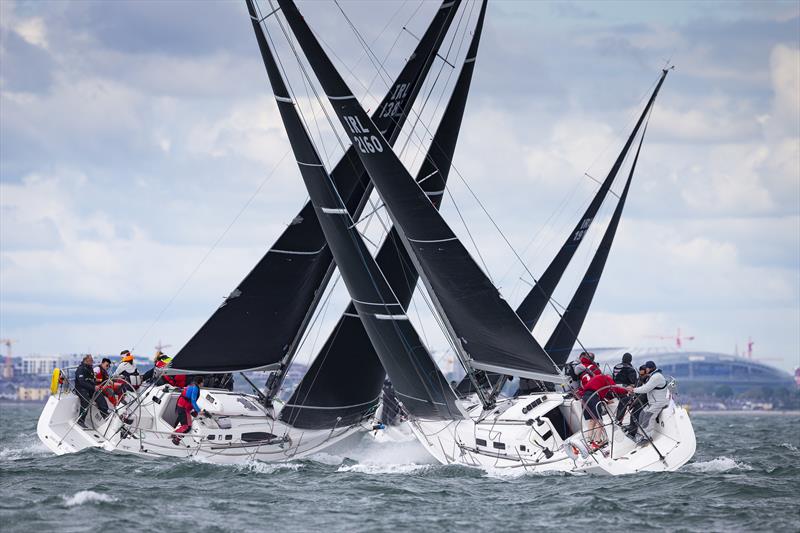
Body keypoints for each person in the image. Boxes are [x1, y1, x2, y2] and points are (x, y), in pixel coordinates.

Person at [576, 370, 629, 447]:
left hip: (585, 398)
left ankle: (589, 441)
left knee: (592, 420)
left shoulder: (597, 378)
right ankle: (598, 441)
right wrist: (626, 390)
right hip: (593, 398)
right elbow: (615, 389)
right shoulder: (607, 378)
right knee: (599, 421)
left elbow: (598, 392)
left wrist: (605, 401)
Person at [627, 360, 669, 444]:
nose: (645, 369)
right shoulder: (653, 376)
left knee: (648, 417)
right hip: (652, 402)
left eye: (646, 368)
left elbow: (646, 389)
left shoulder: (656, 377)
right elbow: (645, 386)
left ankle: (647, 437)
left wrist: (633, 390)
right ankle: (641, 434)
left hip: (658, 403)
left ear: (650, 368)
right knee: (642, 414)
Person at [75, 354, 110, 428]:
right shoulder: (80, 369)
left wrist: (96, 386)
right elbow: (82, 382)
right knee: (86, 401)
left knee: (100, 396)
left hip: (90, 388)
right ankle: (80, 420)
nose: (92, 361)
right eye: (91, 360)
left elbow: (92, 379)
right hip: (81, 388)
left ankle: (105, 415)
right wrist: (93, 387)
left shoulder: (90, 368)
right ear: (86, 360)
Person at [173, 376, 205, 445]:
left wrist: (195, 410)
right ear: (200, 382)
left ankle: (176, 436)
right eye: (203, 382)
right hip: (183, 408)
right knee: (187, 426)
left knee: (187, 426)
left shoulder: (192, 385)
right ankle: (175, 437)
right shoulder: (195, 388)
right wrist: (199, 411)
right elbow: (193, 401)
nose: (203, 384)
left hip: (182, 406)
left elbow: (190, 400)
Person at [612, 353, 638, 422]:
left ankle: (618, 419)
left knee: (622, 402)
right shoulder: (630, 369)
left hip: (615, 388)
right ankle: (619, 420)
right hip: (624, 389)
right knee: (625, 402)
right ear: (630, 360)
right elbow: (633, 382)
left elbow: (614, 379)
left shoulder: (616, 366)